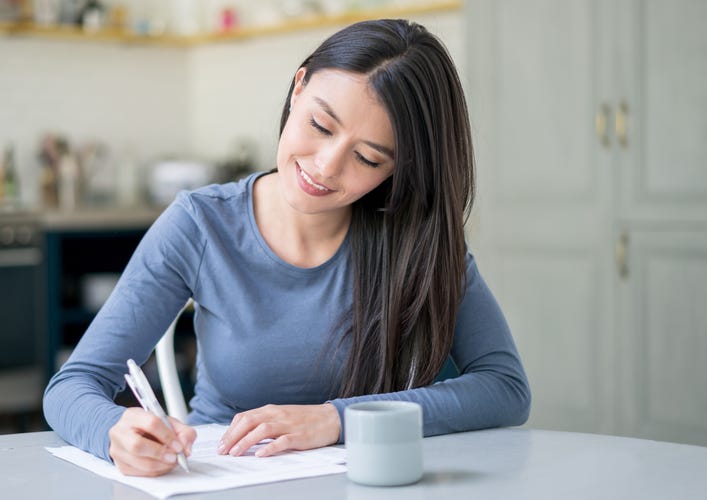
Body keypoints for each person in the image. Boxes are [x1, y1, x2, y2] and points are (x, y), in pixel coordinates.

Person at [43, 18, 531, 477]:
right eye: (320, 126)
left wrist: (337, 419)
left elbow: (505, 388)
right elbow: (72, 385)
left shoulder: (413, 238)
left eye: (366, 157)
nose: (325, 166)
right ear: (298, 88)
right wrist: (114, 433)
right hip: (221, 478)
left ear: (398, 170)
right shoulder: (200, 225)